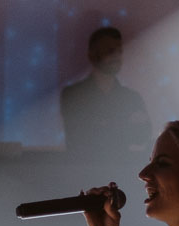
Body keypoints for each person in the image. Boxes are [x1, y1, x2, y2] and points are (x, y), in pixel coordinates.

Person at [60, 26, 152, 164]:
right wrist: (124, 126)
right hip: (83, 172)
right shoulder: (73, 95)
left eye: (119, 51)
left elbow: (142, 136)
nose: (116, 56)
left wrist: (105, 126)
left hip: (119, 172)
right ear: (92, 55)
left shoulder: (131, 97)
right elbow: (80, 137)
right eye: (110, 51)